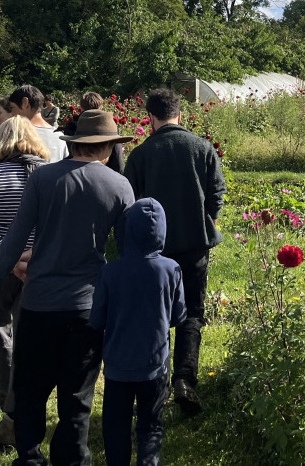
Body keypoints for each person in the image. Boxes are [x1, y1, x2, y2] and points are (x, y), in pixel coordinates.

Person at [0, 110, 134, 466]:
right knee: (77, 398)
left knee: (30, 390)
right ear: (107, 147)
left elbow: (12, 245)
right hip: (88, 309)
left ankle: (29, 456)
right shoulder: (119, 187)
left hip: (39, 305)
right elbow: (127, 255)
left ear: (74, 144)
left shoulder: (43, 179)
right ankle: (72, 459)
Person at [123, 87, 226, 416]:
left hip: (154, 251)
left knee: (156, 314)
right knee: (192, 312)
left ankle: (156, 383)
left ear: (150, 117)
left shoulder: (140, 155)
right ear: (179, 114)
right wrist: (206, 218)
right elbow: (217, 192)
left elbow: (132, 204)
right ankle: (184, 379)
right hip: (196, 244)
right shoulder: (202, 147)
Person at [0, 116, 50, 445]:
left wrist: (13, 260)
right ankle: (26, 398)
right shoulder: (50, 177)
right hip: (42, 267)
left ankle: (5, 389)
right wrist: (30, 258)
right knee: (31, 334)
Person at [90, 198, 186, 466]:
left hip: (118, 367)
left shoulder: (110, 272)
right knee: (151, 426)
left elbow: (97, 320)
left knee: (116, 427)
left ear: (127, 230)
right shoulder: (172, 269)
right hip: (155, 365)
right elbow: (178, 316)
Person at [63, 92, 124, 173]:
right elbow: (117, 156)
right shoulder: (108, 126)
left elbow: (70, 152)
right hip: (104, 173)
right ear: (101, 107)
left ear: (81, 107)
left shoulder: (72, 126)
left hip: (73, 171)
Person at [8, 85, 66, 162]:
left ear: (25, 103)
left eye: (12, 108)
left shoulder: (18, 135)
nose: (11, 114)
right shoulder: (59, 136)